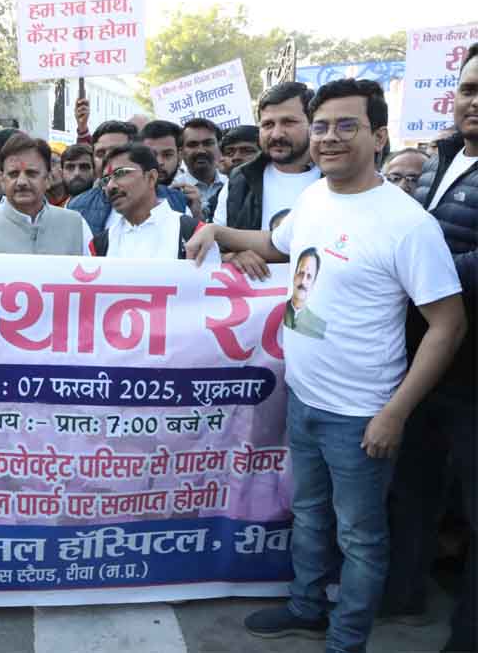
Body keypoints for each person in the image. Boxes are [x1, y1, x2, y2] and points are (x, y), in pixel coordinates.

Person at [186, 78, 466, 653]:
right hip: (304, 396)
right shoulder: (314, 197)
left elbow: (448, 325)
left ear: (378, 136)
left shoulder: (409, 224)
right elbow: (274, 243)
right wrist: (215, 231)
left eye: (346, 126)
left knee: (360, 536)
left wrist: (394, 413)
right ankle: (307, 607)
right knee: (310, 512)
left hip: (362, 413)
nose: (329, 138)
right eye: (320, 126)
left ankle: (347, 639)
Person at [383, 42, 478, 653]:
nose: (475, 102)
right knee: (411, 489)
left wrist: (412, 276)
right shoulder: (438, 159)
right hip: (424, 363)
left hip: (474, 375)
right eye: (469, 89)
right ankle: (403, 597)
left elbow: (430, 262)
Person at [212, 82, 322, 280]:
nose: (277, 134)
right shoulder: (240, 181)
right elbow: (213, 249)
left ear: (312, 124)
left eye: (289, 122)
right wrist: (232, 257)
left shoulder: (335, 179)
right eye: (268, 124)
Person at [0, 133, 92, 255]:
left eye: (31, 173)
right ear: (2, 181)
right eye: (13, 174)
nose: (22, 182)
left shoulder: (76, 225)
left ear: (47, 179)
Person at [89, 144, 212, 262]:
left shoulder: (193, 233)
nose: (110, 186)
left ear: (151, 177)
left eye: (120, 173)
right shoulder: (100, 245)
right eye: (106, 180)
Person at [69, 120, 189, 236]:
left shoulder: (178, 201)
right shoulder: (77, 207)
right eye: (100, 154)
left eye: (116, 152)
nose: (107, 159)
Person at [139, 120, 196, 217]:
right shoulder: (127, 196)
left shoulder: (187, 195)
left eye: (167, 155)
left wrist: (196, 213)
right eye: (151, 155)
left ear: (180, 157)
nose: (159, 162)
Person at [178, 118, 228, 207]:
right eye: (192, 145)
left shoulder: (231, 184)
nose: (201, 151)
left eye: (208, 143)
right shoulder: (174, 192)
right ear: (181, 152)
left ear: (219, 147)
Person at [283, 248, 327, 339]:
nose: (303, 281)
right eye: (301, 273)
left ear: (314, 282)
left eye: (309, 276)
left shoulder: (319, 325)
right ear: (294, 275)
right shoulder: (279, 310)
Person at [47, 141, 68, 206]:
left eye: (53, 162)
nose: (47, 168)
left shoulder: (76, 202)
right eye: (44, 162)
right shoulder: (33, 202)